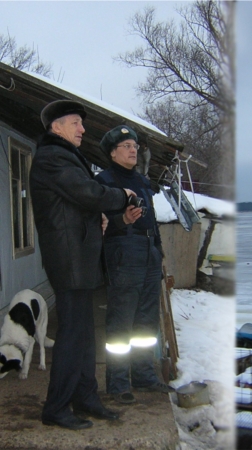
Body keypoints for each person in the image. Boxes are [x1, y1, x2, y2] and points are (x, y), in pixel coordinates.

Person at [30, 100, 137, 430]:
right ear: (57, 126)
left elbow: (74, 204)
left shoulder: (63, 156)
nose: (83, 129)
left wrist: (99, 219)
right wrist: (121, 195)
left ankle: (85, 397)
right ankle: (57, 407)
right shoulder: (52, 157)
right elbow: (86, 192)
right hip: (69, 260)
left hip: (79, 257)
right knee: (72, 335)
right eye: (76, 123)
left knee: (84, 334)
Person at [95, 125, 173, 404]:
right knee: (121, 320)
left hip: (149, 250)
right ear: (112, 152)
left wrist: (159, 251)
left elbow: (151, 219)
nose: (132, 150)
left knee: (146, 319)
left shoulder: (142, 180)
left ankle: (143, 376)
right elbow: (97, 224)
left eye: (135, 146)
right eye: (126, 146)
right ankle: (117, 383)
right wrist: (121, 219)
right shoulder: (103, 180)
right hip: (123, 251)